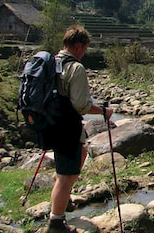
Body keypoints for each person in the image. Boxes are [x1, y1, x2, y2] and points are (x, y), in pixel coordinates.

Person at [45, 25, 114, 233]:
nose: (84, 53)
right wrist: (103, 110)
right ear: (78, 46)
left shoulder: (51, 63)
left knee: (78, 157)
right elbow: (81, 104)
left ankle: (62, 202)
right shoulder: (75, 68)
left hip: (51, 123)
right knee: (65, 176)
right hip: (66, 127)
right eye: (84, 49)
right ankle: (56, 223)